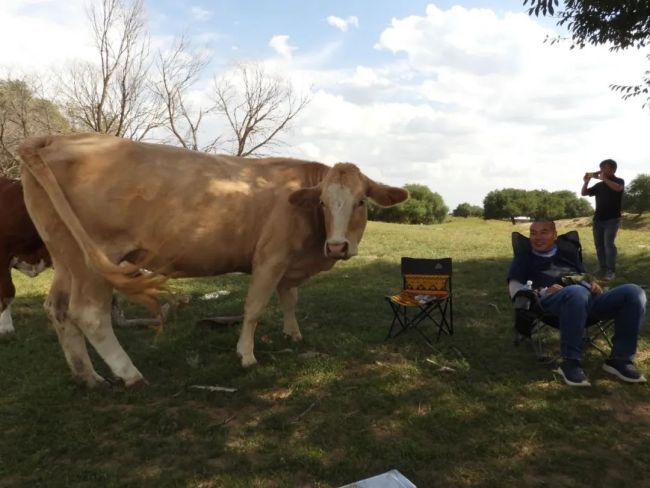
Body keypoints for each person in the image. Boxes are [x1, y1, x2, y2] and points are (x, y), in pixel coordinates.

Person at [507, 220, 646, 386]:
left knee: (633, 291)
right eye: (533, 233)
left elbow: (583, 277)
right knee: (576, 292)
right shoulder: (524, 258)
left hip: (586, 301)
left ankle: (620, 360)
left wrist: (592, 284)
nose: (538, 237)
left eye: (544, 232)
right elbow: (516, 292)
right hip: (550, 304)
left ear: (555, 235)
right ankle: (570, 363)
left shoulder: (568, 254)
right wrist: (543, 291)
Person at [581, 159, 624, 280]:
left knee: (608, 244)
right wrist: (586, 182)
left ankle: (611, 271)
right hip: (598, 219)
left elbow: (618, 189)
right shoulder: (599, 185)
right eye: (601, 168)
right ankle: (603, 267)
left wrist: (604, 179)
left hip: (612, 219)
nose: (602, 171)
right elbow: (584, 193)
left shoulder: (619, 181)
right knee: (599, 245)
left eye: (605, 168)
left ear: (613, 169)